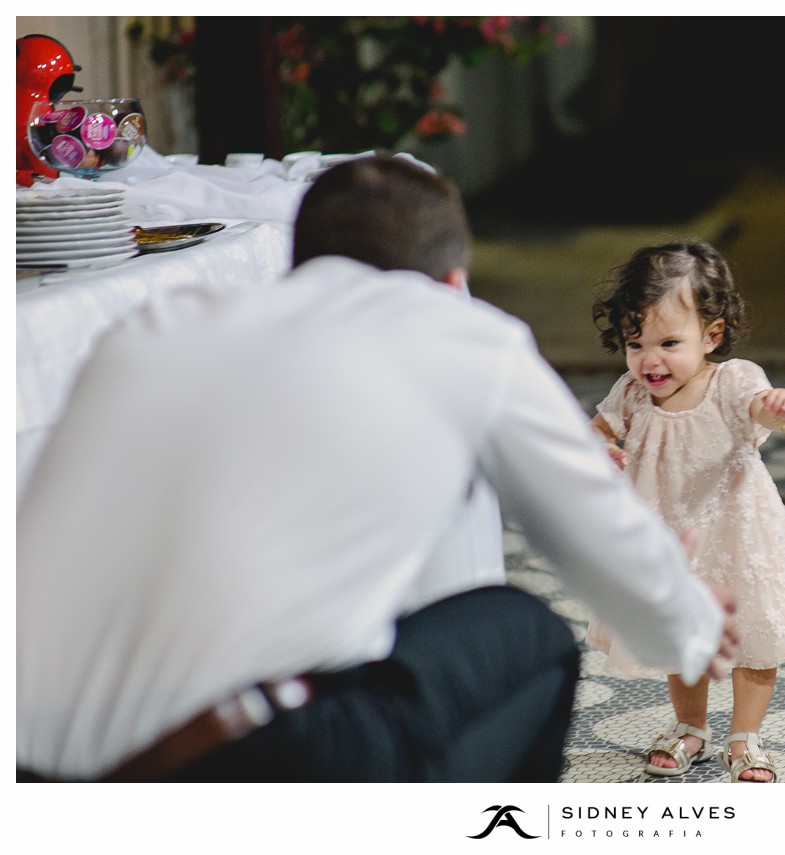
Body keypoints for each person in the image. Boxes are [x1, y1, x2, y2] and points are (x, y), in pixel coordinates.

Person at [15, 155, 739, 783]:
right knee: (525, 631)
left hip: (25, 767)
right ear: (452, 280)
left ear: (299, 263)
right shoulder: (462, 335)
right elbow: (608, 553)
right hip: (223, 763)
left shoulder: (155, 326)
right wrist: (686, 616)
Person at [585, 241, 785, 783]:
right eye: (635, 343)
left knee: (752, 634)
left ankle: (745, 736)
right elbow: (596, 432)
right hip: (670, 540)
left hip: (739, 534)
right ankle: (691, 726)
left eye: (669, 342)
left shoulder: (731, 381)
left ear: (711, 335)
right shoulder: (631, 394)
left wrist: (776, 409)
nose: (649, 360)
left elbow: (759, 407)